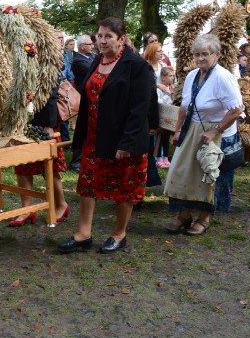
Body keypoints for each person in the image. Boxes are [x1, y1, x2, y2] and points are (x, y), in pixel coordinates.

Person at [57, 17, 152, 254]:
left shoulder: (136, 65)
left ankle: (119, 234)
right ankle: (83, 234)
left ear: (121, 39)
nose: (102, 41)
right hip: (94, 136)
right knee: (87, 183)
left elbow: (141, 108)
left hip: (123, 139)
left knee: (124, 185)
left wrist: (127, 142)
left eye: (108, 36)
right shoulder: (97, 61)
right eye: (99, 36)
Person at [164, 34, 243, 234]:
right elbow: (184, 105)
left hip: (218, 132)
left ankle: (205, 217)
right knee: (185, 172)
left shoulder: (223, 77)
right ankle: (185, 214)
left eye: (205, 54)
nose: (200, 59)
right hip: (194, 129)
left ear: (217, 55)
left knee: (210, 175)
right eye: (197, 54)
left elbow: (236, 110)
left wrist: (216, 130)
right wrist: (179, 129)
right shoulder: (192, 75)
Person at [9, 87, 70, 227]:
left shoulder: (46, 64)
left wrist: (49, 124)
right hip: (22, 121)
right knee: (21, 164)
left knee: (48, 167)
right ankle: (27, 209)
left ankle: (61, 204)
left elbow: (51, 90)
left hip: (43, 122)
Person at [68, 34, 95, 172]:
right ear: (82, 46)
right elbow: (93, 71)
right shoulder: (78, 60)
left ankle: (86, 158)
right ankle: (76, 162)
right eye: (90, 44)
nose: (93, 46)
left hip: (92, 100)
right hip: (83, 100)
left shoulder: (91, 58)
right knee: (81, 130)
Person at [155, 66, 175, 169]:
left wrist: (172, 94)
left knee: (166, 138)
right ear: (163, 77)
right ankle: (159, 158)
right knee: (160, 137)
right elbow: (158, 102)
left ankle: (166, 159)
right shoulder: (159, 89)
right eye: (170, 76)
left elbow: (174, 102)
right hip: (160, 116)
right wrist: (168, 95)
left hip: (169, 118)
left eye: (173, 76)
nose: (172, 78)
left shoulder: (172, 88)